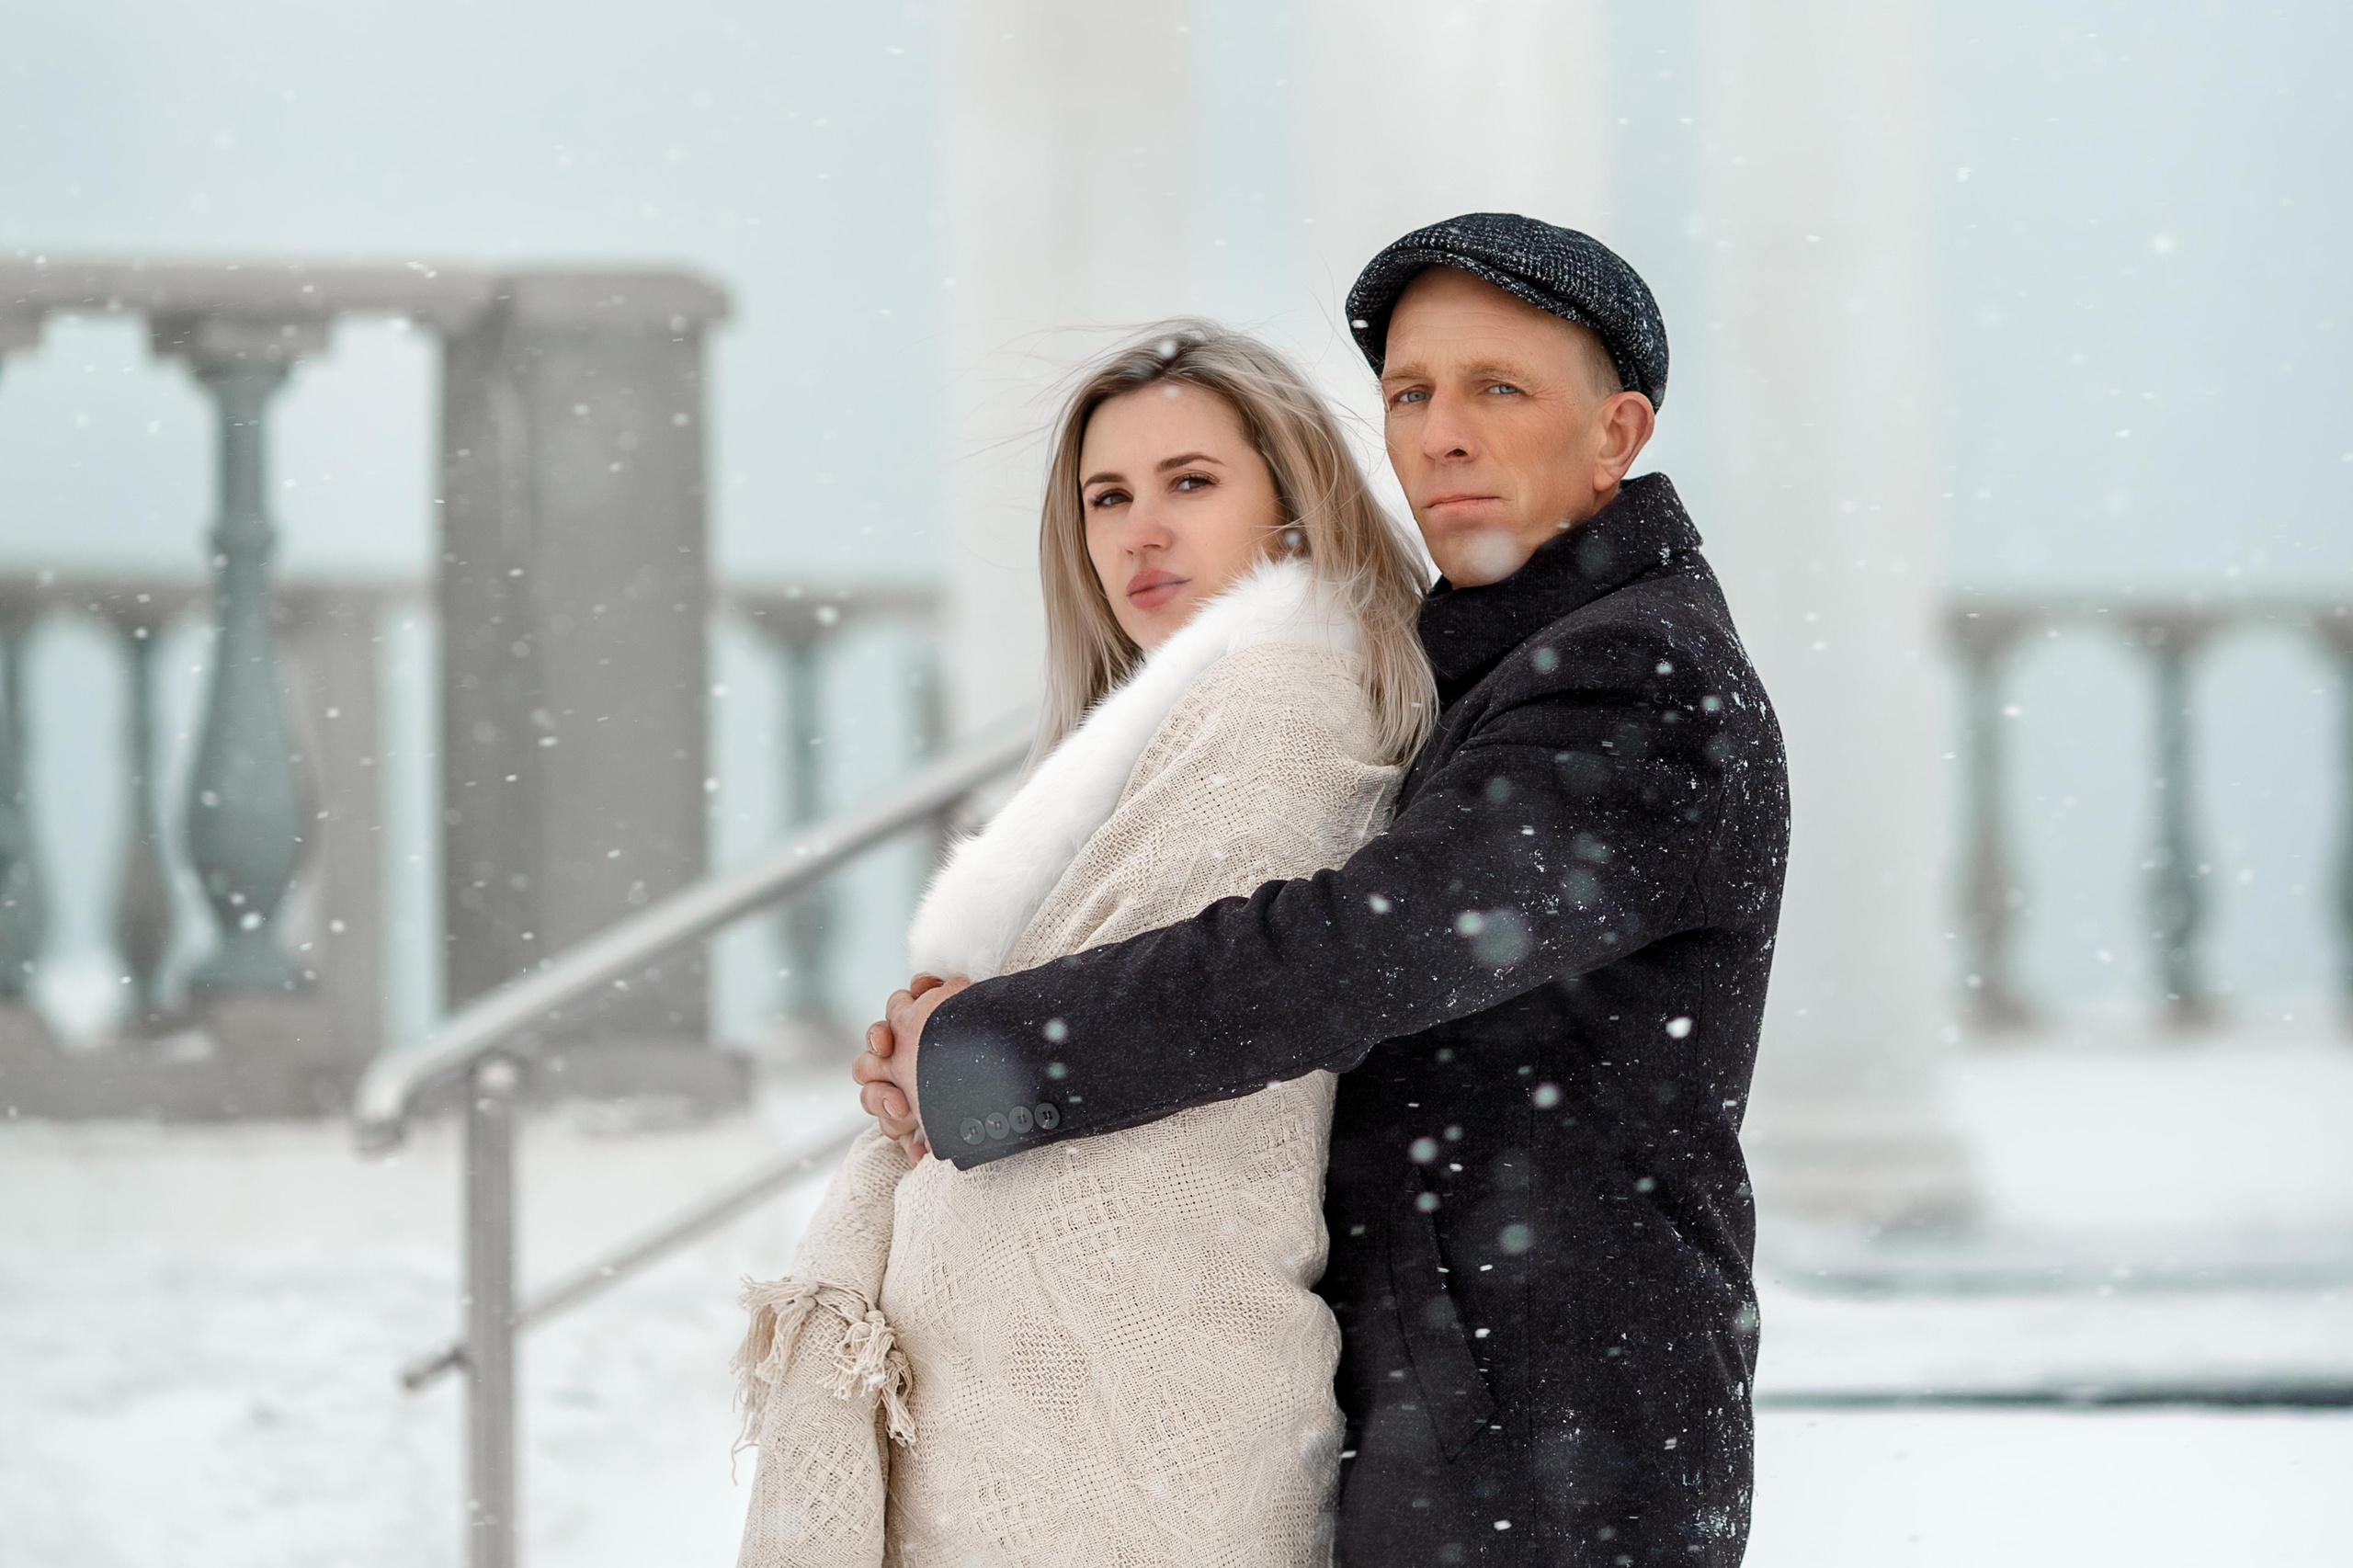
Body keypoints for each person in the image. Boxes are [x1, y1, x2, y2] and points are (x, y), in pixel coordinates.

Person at [858, 214, 1791, 1566]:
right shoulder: (1490, 665)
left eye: (1498, 389)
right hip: (1472, 1411)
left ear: (1618, 433)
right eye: (1410, 393)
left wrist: (990, 1051)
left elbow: (1351, 954)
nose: (1440, 434)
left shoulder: (1637, 681)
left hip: (1554, 1437)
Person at [733, 321, 1438, 1566]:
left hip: (1153, 1371)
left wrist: (955, 1052)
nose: (1139, 532)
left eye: (1190, 483)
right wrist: (944, 1053)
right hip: (1044, 1388)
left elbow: (1177, 1014)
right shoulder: (1167, 730)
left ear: (1290, 504)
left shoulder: (1284, 704)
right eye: (1107, 497)